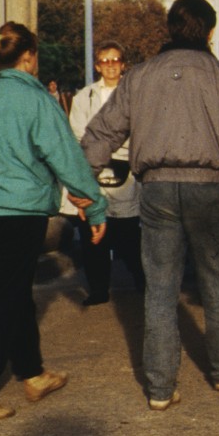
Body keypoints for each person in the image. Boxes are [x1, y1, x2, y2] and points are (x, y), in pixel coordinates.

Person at [82, 0, 219, 410]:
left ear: (170, 30)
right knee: (218, 281)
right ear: (209, 31)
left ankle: (160, 387)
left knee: (160, 286)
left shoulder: (139, 77)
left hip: (156, 189)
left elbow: (103, 133)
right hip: (209, 188)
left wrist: (81, 182)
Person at [0, 22, 107, 424]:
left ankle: (33, 373)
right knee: (3, 299)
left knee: (10, 292)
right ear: (28, 57)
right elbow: (67, 158)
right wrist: (94, 206)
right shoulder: (38, 102)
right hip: (19, 215)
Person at [69, 41, 146, 305]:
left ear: (123, 64)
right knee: (94, 231)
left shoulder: (137, 94)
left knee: (129, 232)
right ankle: (99, 288)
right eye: (105, 61)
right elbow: (78, 133)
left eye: (115, 60)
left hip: (127, 168)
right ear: (97, 65)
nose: (110, 65)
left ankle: (141, 280)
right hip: (94, 170)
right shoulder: (84, 97)